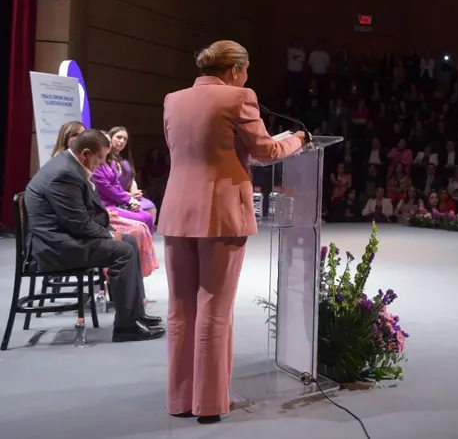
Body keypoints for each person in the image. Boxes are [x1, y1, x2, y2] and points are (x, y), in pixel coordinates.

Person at [160, 40, 306, 424]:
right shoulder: (240, 97)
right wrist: (298, 139)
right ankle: (208, 404)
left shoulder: (173, 99)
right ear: (236, 70)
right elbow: (266, 151)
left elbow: (193, 151)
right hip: (221, 212)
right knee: (214, 308)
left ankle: (179, 400)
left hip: (177, 210)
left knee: (180, 310)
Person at [24, 129, 163, 342]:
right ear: (85, 154)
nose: (101, 164)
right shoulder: (64, 174)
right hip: (54, 247)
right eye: (99, 159)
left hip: (64, 237)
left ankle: (135, 315)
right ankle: (126, 327)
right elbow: (78, 222)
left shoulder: (69, 166)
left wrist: (108, 232)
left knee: (129, 241)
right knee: (123, 250)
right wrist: (107, 235)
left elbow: (82, 215)